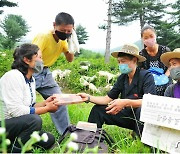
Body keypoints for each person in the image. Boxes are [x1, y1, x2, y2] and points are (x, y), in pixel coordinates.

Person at [78, 44, 156, 137]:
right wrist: (88, 97)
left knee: (141, 110)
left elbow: (149, 102)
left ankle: (141, 142)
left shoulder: (146, 76)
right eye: (118, 62)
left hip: (142, 119)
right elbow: (108, 98)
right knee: (98, 110)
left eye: (123, 61)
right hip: (127, 115)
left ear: (134, 60)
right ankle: (90, 139)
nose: (120, 65)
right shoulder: (122, 78)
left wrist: (125, 102)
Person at [0, 43, 59, 152]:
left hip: (16, 126)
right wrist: (47, 109)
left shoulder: (31, 79)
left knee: (48, 139)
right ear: (26, 60)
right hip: (3, 125)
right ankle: (16, 150)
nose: (42, 61)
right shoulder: (13, 77)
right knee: (34, 120)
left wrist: (45, 103)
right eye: (39, 58)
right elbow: (17, 111)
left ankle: (13, 144)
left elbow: (29, 106)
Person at [32, 12, 79, 135]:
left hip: (46, 73)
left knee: (59, 100)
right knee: (25, 103)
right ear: (54, 25)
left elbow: (70, 59)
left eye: (69, 31)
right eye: (63, 30)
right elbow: (32, 56)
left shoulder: (64, 41)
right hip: (32, 71)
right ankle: (18, 130)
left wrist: (71, 44)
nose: (66, 33)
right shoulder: (44, 36)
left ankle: (65, 133)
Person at [139, 25, 172, 96]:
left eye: (151, 36)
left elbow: (171, 65)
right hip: (150, 85)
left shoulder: (165, 50)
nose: (149, 39)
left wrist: (165, 76)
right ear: (142, 39)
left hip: (167, 83)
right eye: (146, 38)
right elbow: (141, 70)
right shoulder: (142, 54)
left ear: (155, 35)